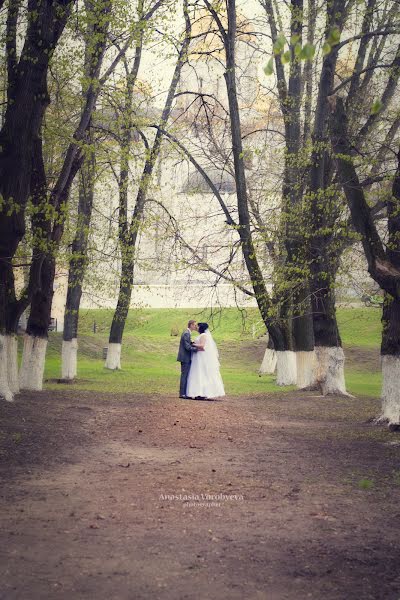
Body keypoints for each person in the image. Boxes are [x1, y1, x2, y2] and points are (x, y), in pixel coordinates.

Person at [186, 322, 225, 400]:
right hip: (198, 356)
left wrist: (192, 344)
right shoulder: (202, 335)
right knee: (199, 373)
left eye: (198, 326)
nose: (196, 327)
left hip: (200, 357)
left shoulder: (203, 335)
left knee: (200, 373)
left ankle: (201, 392)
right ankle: (199, 392)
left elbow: (202, 345)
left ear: (201, 328)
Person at [177, 320, 204, 399]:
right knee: (184, 375)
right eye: (194, 325)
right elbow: (187, 347)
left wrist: (193, 344)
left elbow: (188, 344)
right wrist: (197, 349)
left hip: (187, 357)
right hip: (185, 358)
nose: (195, 327)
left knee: (185, 375)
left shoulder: (188, 333)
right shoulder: (186, 333)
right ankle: (182, 394)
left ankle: (184, 393)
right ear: (191, 325)